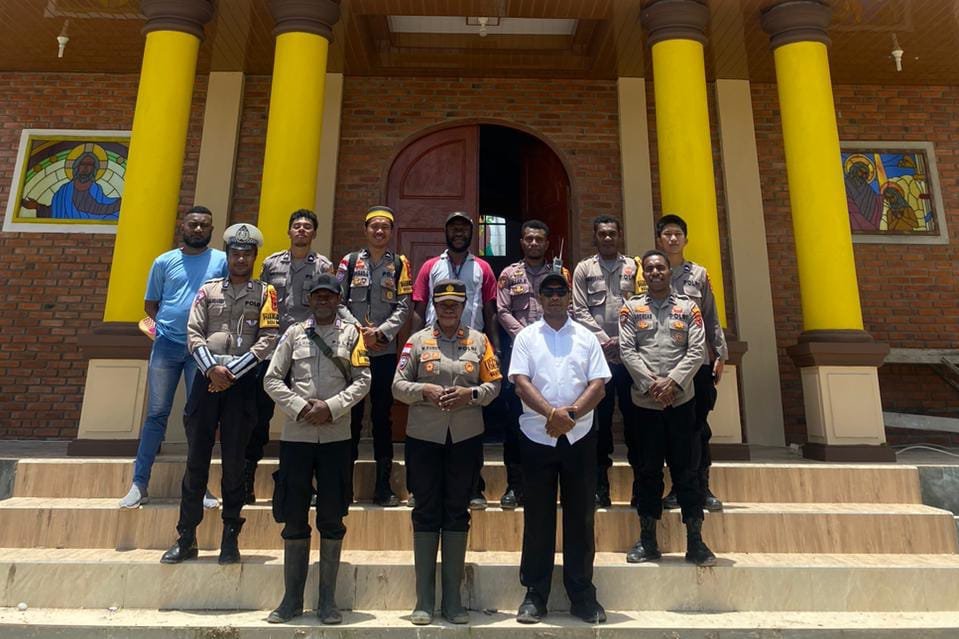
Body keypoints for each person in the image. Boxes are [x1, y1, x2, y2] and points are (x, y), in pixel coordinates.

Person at [160, 223, 279, 565]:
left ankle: (230, 536)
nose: (241, 259)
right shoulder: (208, 290)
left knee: (235, 463)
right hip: (207, 379)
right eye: (235, 254)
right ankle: (186, 537)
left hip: (242, 385)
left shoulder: (266, 293)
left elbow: (268, 337)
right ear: (227, 256)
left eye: (247, 254)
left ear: (255, 258)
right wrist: (213, 369)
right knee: (196, 461)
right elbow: (193, 333)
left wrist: (232, 373)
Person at [392, 279, 502, 625]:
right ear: (434, 307)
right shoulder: (417, 341)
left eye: (455, 304)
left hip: (465, 437)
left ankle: (452, 601)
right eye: (443, 305)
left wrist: (471, 395)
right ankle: (424, 600)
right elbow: (397, 386)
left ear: (465, 306)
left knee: (457, 509)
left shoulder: (479, 341)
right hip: (424, 437)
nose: (449, 310)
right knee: (425, 510)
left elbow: (495, 385)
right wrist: (423, 390)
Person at [264, 274, 371, 625]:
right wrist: (299, 407)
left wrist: (332, 407)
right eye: (318, 296)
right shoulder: (293, 334)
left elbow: (363, 380)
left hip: (336, 437)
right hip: (297, 436)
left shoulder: (351, 335)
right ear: (309, 300)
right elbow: (272, 379)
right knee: (294, 514)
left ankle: (327, 600)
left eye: (329, 296)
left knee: (332, 516)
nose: (323, 301)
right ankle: (291, 600)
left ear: (338, 300)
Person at [509, 271, 610, 625]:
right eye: (548, 292)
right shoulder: (526, 337)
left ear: (569, 297)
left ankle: (582, 594)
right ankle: (534, 595)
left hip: (579, 437)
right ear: (539, 298)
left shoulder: (586, 337)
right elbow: (521, 383)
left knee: (581, 516)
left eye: (560, 291)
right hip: (537, 436)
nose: (554, 297)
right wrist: (552, 414)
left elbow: (599, 385)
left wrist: (571, 415)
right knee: (538, 517)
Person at [119, 206, 226, 509]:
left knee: (198, 418)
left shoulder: (221, 261)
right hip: (166, 347)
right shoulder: (163, 262)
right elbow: (151, 304)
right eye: (193, 224)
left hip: (201, 350)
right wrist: (167, 329)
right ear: (183, 226)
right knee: (156, 414)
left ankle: (199, 488)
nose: (198, 229)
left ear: (211, 230)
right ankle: (139, 485)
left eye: (204, 225)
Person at [620, 250, 715, 567]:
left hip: (681, 403)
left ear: (669, 272)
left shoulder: (688, 308)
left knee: (687, 472)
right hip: (645, 405)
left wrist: (672, 383)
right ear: (644, 274)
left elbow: (696, 350)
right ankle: (648, 541)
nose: (655, 272)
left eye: (660, 267)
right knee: (647, 472)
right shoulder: (631, 308)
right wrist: (652, 385)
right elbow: (627, 351)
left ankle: (695, 541)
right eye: (649, 268)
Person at [410, 211, 500, 509]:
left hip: (472, 348)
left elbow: (490, 310)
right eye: (453, 228)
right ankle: (421, 487)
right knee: (428, 416)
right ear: (446, 232)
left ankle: (474, 488)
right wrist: (411, 347)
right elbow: (419, 308)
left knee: (470, 419)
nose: (458, 233)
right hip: (433, 346)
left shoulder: (483, 268)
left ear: (471, 233)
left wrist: (496, 348)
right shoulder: (430, 266)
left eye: (463, 228)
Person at [245, 209, 334, 504]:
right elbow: (259, 302)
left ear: (314, 233)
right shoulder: (271, 264)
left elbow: (329, 305)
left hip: (305, 349)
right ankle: (246, 478)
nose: (302, 230)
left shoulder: (323, 266)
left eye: (307, 226)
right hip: (271, 348)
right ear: (289, 231)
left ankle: (303, 481)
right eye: (297, 226)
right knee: (259, 416)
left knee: (305, 415)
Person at [650, 214, 728, 512]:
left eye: (677, 234)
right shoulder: (649, 271)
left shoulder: (699, 274)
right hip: (664, 365)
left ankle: (701, 487)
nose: (672, 239)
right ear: (659, 239)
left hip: (697, 364)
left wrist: (719, 354)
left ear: (685, 239)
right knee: (670, 430)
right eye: (667, 234)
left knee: (698, 428)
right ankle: (676, 488)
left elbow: (710, 315)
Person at [336, 205, 412, 507]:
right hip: (352, 350)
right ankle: (343, 485)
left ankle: (383, 486)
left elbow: (404, 305)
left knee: (382, 417)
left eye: (384, 227)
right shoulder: (350, 261)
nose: (379, 231)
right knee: (351, 415)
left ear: (391, 232)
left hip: (384, 351)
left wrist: (381, 333)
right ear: (365, 230)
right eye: (374, 226)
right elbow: (338, 300)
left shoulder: (400, 264)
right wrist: (359, 332)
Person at [495, 219, 570, 508]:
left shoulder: (560, 273)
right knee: (515, 419)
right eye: (529, 239)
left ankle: (554, 484)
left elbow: (571, 307)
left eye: (539, 239)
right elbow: (502, 310)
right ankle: (515, 485)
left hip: (557, 353)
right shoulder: (509, 274)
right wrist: (527, 336)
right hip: (521, 353)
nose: (534, 243)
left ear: (547, 243)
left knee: (553, 411)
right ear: (522, 242)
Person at [571, 215, 638, 508]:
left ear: (619, 235)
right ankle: (600, 486)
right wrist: (604, 340)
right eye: (602, 234)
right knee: (600, 422)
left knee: (636, 421)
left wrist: (622, 340)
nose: (608, 238)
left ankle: (641, 488)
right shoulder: (584, 269)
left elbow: (642, 305)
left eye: (612, 233)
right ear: (595, 237)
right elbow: (579, 309)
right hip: (597, 357)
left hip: (632, 356)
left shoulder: (634, 267)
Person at [21, 147, 121, 219]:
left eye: (90, 165)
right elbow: (56, 211)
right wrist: (37, 206)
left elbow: (101, 207)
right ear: (77, 166)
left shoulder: (96, 188)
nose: (86, 167)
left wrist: (122, 202)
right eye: (83, 164)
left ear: (94, 169)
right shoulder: (64, 189)